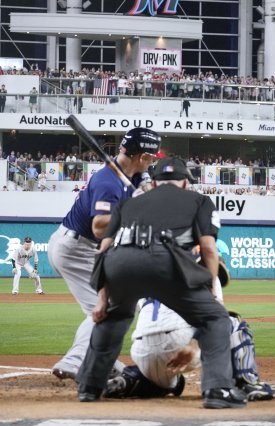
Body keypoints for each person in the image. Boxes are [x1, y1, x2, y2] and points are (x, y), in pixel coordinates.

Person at [75, 156, 247, 410]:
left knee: (113, 316)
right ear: (185, 183)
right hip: (164, 262)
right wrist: (211, 288)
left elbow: (104, 249)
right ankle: (217, 389)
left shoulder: (127, 204)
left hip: (119, 265)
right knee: (216, 319)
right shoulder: (200, 201)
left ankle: (89, 387)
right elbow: (209, 248)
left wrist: (102, 300)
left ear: (154, 184)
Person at [48, 127, 161, 381]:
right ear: (141, 156)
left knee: (113, 304)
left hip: (83, 248)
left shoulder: (133, 174)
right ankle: (76, 361)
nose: (153, 162)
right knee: (108, 307)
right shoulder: (107, 182)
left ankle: (101, 359)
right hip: (76, 249)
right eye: (152, 158)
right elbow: (100, 227)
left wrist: (144, 190)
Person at [103, 298, 275, 401]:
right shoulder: (196, 274)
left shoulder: (146, 279)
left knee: (172, 383)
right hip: (180, 346)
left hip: (141, 351)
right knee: (231, 321)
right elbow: (215, 321)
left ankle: (131, 379)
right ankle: (248, 383)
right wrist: (194, 343)